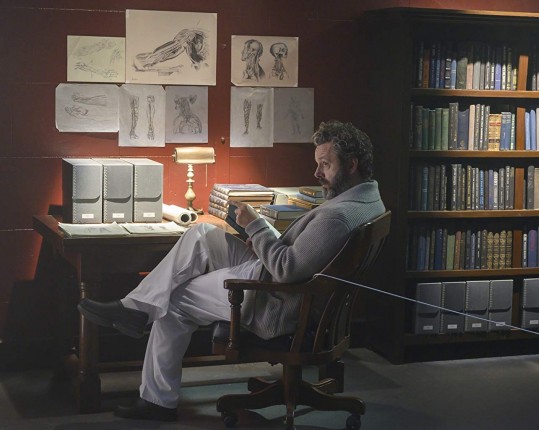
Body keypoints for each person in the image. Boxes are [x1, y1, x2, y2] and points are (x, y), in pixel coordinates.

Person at [77, 120, 386, 422]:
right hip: (279, 282)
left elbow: (287, 269)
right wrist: (262, 234)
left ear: (352, 165)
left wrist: (257, 227)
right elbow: (300, 259)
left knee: (173, 299)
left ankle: (157, 400)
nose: (317, 173)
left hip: (276, 301)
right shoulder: (368, 201)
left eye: (326, 165)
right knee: (201, 234)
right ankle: (134, 307)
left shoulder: (337, 217)